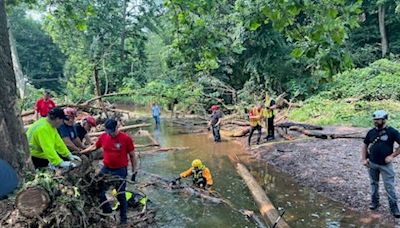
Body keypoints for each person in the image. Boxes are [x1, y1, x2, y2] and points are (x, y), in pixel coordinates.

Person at [81, 119, 138, 225]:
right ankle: (107, 209)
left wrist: (134, 171)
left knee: (120, 194)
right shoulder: (103, 136)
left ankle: (123, 219)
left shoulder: (126, 139)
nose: (110, 134)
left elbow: (132, 155)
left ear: (117, 128)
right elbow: (95, 146)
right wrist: (82, 152)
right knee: (98, 189)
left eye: (112, 131)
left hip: (120, 170)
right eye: (108, 131)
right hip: (106, 168)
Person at [361, 110, 400, 218]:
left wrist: (392, 156)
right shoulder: (371, 132)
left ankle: (394, 208)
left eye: (378, 119)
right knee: (374, 184)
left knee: (389, 186)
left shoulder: (392, 132)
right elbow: (365, 145)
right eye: (375, 119)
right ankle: (374, 202)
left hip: (386, 166)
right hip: (372, 163)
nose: (375, 121)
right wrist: (364, 159)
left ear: (384, 119)